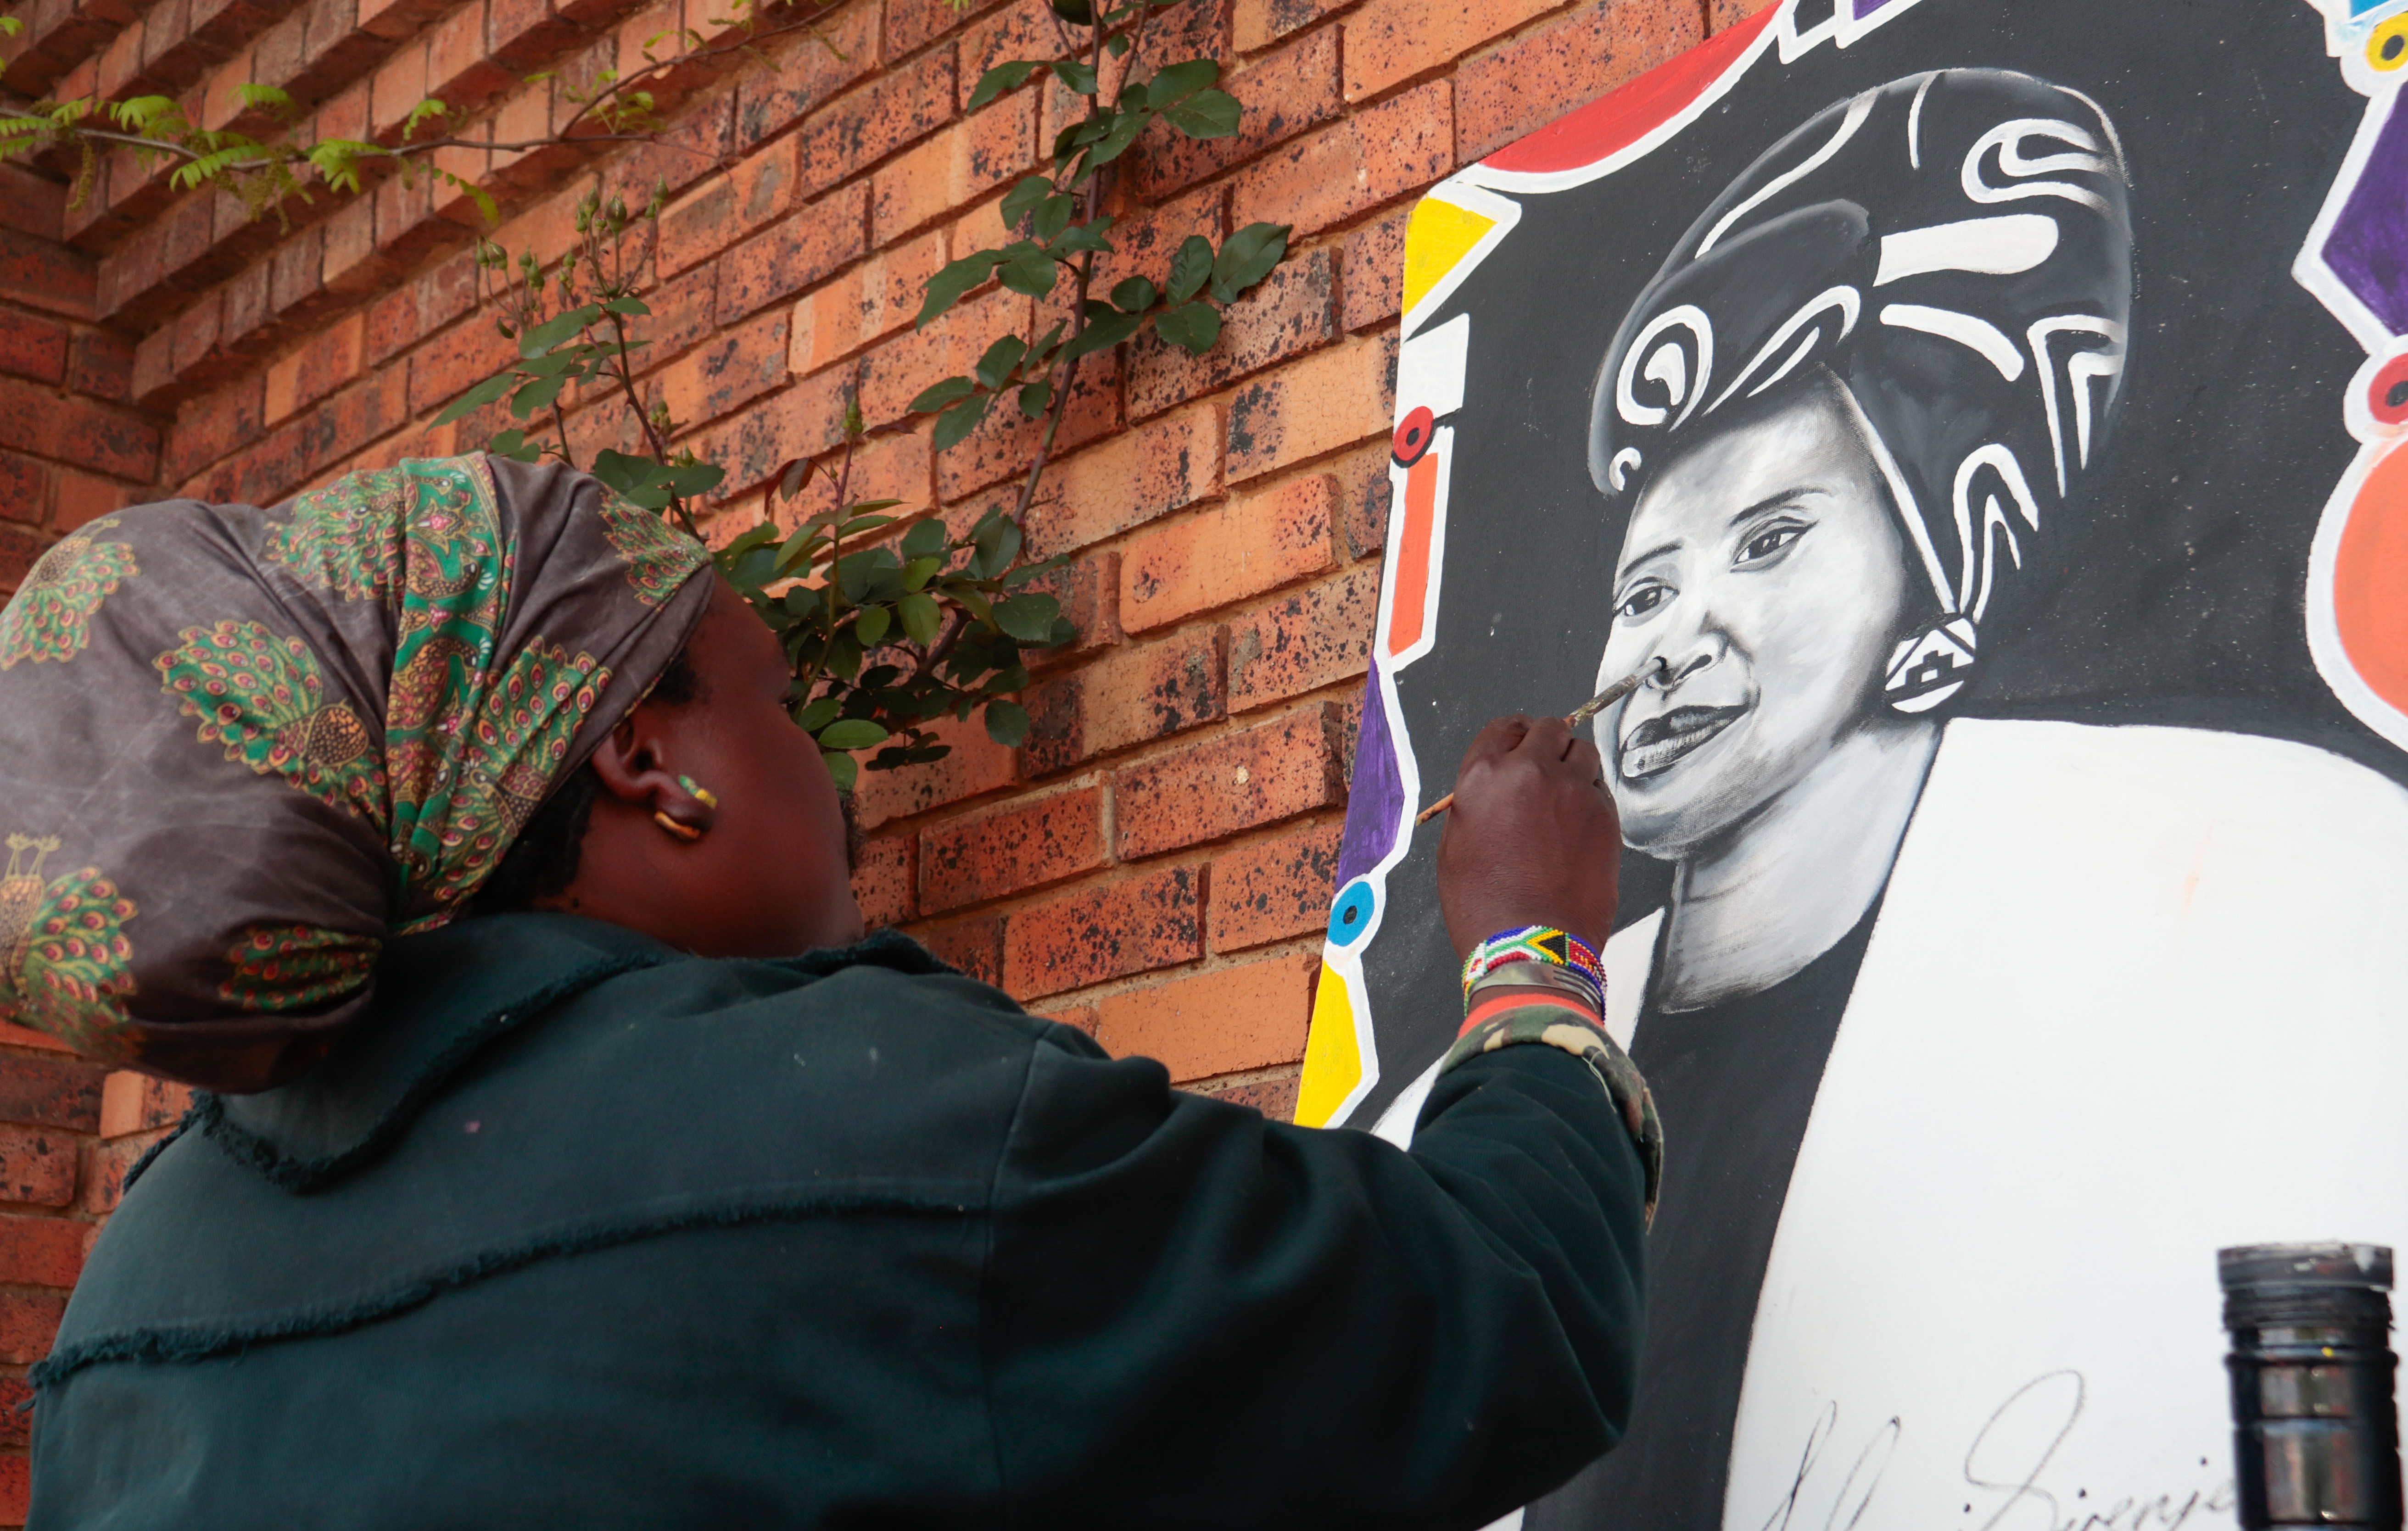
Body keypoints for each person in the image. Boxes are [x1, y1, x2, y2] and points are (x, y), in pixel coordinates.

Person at [0, 451, 1661, 1528]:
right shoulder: (877, 1123)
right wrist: (1531, 954)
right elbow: (1494, 1312)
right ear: (647, 761)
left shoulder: (131, 1295)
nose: (826, 768)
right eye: (779, 701)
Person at [1520, 67, 2408, 1531]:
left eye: (1773, 539)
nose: (1674, 637)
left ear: (1937, 614)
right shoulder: (1479, 1091)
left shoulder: (2262, 886)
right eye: (1646, 589)